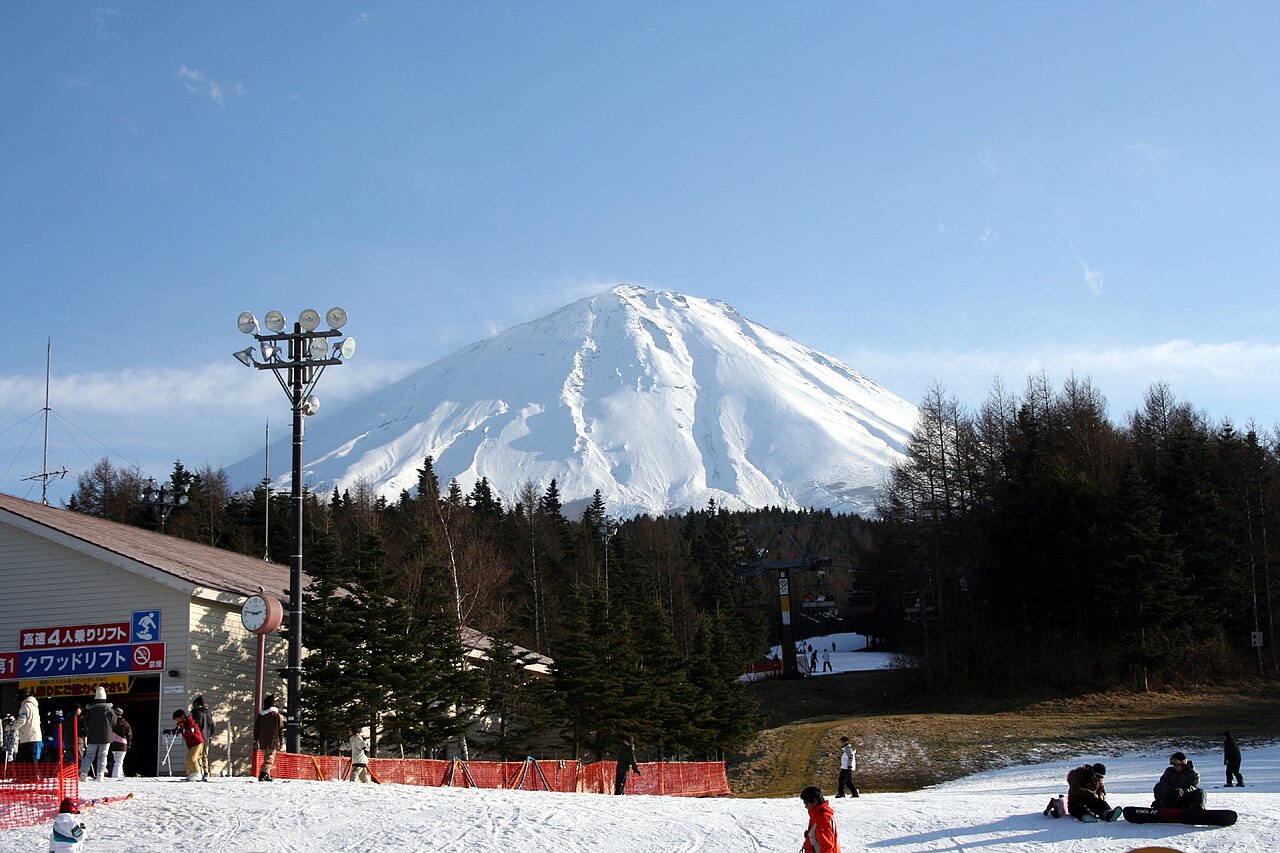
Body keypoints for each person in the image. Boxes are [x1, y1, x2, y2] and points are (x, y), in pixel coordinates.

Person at [80, 687, 118, 781]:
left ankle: (83, 774)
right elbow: (114, 722)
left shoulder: (90, 710)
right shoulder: (109, 710)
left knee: (89, 756)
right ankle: (100, 775)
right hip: (106, 737)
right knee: (102, 755)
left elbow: (85, 722)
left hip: (93, 736)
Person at [800, 785, 841, 853]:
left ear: (815, 801)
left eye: (806, 803)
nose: (805, 806)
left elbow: (827, 845)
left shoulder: (823, 818)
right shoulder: (816, 815)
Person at [254, 694, 285, 782]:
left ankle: (265, 773)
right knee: (270, 758)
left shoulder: (261, 716)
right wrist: (281, 739)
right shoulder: (276, 716)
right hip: (273, 740)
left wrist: (256, 739)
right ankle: (264, 773)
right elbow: (281, 728)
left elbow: (256, 728)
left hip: (262, 740)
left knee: (266, 757)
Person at [171, 708, 206, 782]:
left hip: (197, 742)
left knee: (192, 758)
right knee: (188, 759)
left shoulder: (190, 721)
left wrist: (182, 731)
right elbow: (178, 730)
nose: (177, 721)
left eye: (177, 719)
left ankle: (197, 774)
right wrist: (173, 731)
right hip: (191, 744)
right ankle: (192, 773)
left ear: (182, 717)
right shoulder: (182, 724)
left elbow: (191, 731)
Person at [190, 695, 216, 780]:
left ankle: (199, 772)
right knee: (205, 755)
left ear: (197, 704)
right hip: (207, 737)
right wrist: (210, 735)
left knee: (198, 755)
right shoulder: (208, 713)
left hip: (198, 738)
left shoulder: (196, 713)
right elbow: (212, 726)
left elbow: (194, 726)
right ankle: (206, 771)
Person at [15, 689, 41, 762]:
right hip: (36, 736)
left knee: (27, 760)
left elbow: (22, 720)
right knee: (34, 759)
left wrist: (13, 727)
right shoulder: (35, 706)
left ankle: (34, 773)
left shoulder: (25, 706)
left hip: (28, 737)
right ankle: (36, 773)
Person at [108, 707, 131, 780]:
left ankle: (119, 774)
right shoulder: (126, 724)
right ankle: (116, 776)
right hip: (123, 745)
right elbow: (129, 735)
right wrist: (129, 745)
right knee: (119, 762)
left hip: (113, 745)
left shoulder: (111, 723)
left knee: (116, 761)